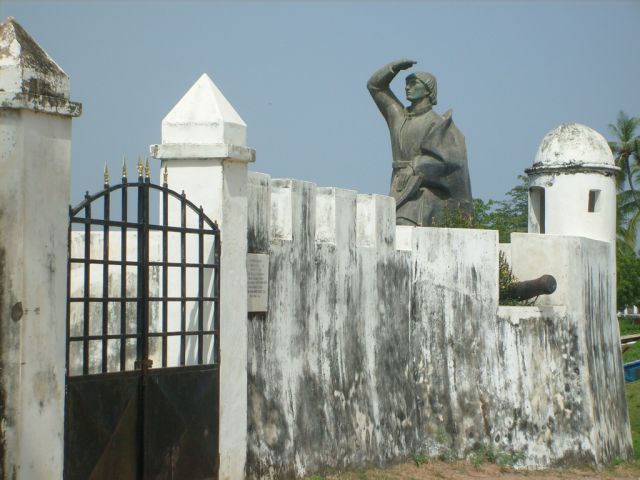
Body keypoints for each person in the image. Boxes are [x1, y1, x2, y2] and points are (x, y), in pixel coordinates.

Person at [367, 59, 473, 226]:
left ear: (428, 90)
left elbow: (451, 161)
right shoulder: (399, 118)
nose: (407, 87)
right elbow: (375, 87)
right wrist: (393, 68)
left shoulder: (438, 123)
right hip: (398, 186)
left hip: (424, 194)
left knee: (403, 224)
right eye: (406, 83)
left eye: (413, 83)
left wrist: (415, 166)